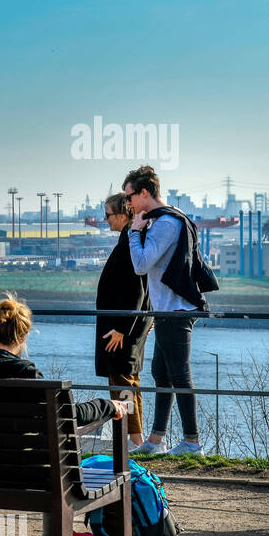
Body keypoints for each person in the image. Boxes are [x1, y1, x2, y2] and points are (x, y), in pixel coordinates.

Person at [0, 294, 128, 536]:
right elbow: (69, 417)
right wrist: (106, 406)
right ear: (23, 335)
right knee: (56, 467)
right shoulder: (28, 374)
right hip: (24, 475)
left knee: (33, 458)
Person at [123, 165, 214, 455]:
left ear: (144, 192)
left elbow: (141, 264)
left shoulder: (164, 223)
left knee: (180, 375)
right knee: (161, 373)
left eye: (130, 196)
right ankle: (155, 440)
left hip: (175, 311)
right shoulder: (168, 217)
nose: (129, 204)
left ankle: (192, 442)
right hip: (166, 310)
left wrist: (133, 234)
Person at [96, 192, 152, 449]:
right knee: (128, 381)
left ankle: (135, 440)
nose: (105, 219)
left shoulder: (130, 242)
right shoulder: (131, 240)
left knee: (123, 383)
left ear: (122, 215)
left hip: (121, 330)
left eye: (108, 214)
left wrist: (121, 328)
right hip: (127, 327)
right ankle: (136, 439)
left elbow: (136, 291)